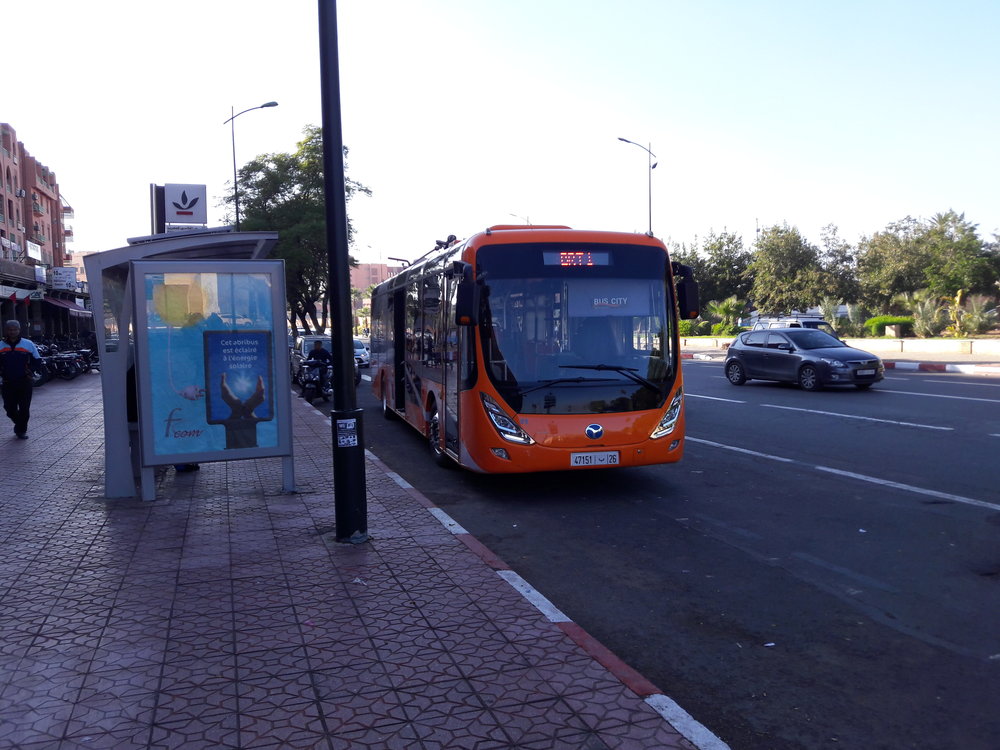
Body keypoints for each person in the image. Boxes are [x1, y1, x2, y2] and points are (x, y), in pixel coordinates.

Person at [1, 320, 43, 439]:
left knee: (24, 408)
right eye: (10, 329)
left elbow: (37, 360)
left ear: (19, 330)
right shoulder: (1, 345)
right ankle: (19, 423)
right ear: (6, 331)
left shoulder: (28, 344)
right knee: (9, 408)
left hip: (24, 381)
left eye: (15, 329)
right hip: (7, 382)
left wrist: (30, 370)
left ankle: (21, 430)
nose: (12, 331)